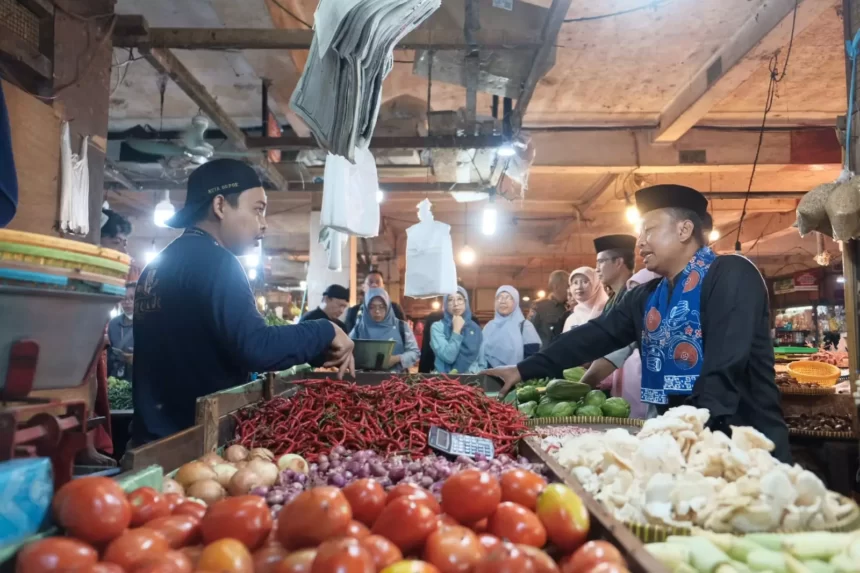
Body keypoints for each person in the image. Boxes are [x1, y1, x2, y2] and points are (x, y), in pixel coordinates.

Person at [484, 184, 791, 462]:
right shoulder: (646, 296)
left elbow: (724, 367)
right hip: (685, 448)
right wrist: (523, 369)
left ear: (684, 230)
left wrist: (681, 436)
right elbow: (593, 336)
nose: (640, 242)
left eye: (649, 231)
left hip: (745, 445)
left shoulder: (731, 275)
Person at [132, 159, 354, 445]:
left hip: (149, 442)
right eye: (257, 210)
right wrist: (325, 330)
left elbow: (210, 348)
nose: (263, 225)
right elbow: (255, 346)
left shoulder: (158, 265)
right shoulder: (217, 262)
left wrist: (314, 350)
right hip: (192, 446)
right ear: (221, 205)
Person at [579, 268, 660, 419]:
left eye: (639, 291)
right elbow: (610, 357)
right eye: (632, 291)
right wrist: (578, 389)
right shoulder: (638, 318)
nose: (636, 299)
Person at [350, 288, 420, 372]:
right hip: (365, 380)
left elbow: (415, 353)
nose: (377, 311)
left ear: (388, 307)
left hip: (397, 380)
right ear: (366, 308)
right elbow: (347, 352)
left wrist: (396, 359)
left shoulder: (401, 326)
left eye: (382, 307)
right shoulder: (359, 329)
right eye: (372, 307)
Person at [483, 286, 541, 368]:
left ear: (516, 302)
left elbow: (531, 357)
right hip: (489, 377)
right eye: (499, 298)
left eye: (508, 298)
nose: (503, 301)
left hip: (517, 377)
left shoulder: (525, 326)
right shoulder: (489, 327)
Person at [431, 286, 484, 374]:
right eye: (450, 299)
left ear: (465, 302)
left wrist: (476, 375)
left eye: (459, 299)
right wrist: (456, 331)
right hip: (444, 381)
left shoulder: (475, 328)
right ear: (445, 304)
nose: (456, 303)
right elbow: (448, 357)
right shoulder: (438, 327)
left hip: (471, 380)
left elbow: (482, 362)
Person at [594, 234, 636, 310]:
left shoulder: (635, 296)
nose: (596, 269)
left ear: (618, 262)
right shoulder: (612, 299)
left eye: (600, 261)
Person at [562, 267, 608, 333]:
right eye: (575, 283)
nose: (579, 287)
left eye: (585, 282)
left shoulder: (608, 311)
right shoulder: (571, 319)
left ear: (596, 284)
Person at [530, 270, 569, 348]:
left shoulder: (571, 307)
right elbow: (530, 334)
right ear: (556, 286)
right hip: (545, 355)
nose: (570, 289)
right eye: (567, 286)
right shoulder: (540, 306)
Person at [107, 282, 136, 379]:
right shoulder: (113, 324)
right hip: (115, 378)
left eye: (132, 298)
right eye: (124, 298)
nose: (127, 302)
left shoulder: (149, 325)